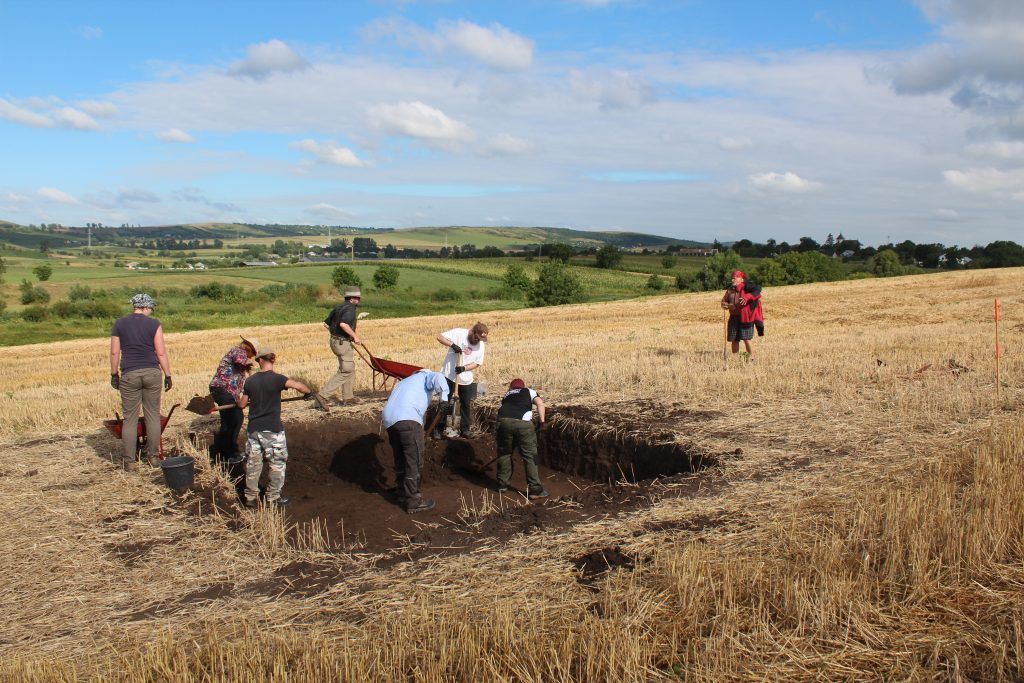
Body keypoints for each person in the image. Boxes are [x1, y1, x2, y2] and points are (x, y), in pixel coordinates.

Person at [237, 345, 311, 508]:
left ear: (260, 361)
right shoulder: (278, 379)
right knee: (277, 463)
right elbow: (299, 386)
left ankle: (250, 498)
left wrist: (239, 400)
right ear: (273, 360)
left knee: (253, 465)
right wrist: (308, 393)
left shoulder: (250, 381)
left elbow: (242, 404)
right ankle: (272, 497)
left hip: (253, 430)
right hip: (272, 430)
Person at [109, 293, 172, 471]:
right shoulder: (154, 324)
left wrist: (114, 374)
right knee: (152, 415)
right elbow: (160, 353)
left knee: (130, 418)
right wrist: (168, 374)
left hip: (130, 374)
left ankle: (129, 462)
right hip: (152, 373)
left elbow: (114, 353)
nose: (152, 311)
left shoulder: (120, 323)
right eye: (151, 307)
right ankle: (153, 457)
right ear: (145, 307)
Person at [381, 370, 452, 514]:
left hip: (389, 420)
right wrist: (444, 398)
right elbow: (438, 377)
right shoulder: (425, 375)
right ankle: (413, 501)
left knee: (400, 458)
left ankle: (402, 493)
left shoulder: (404, 382)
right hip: (408, 419)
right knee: (414, 460)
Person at [495, 378, 548, 499]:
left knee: (505, 453)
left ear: (511, 387)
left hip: (503, 422)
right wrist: (542, 421)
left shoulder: (507, 394)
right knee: (530, 455)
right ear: (523, 386)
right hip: (523, 424)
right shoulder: (529, 391)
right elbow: (540, 403)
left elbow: (506, 410)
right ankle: (535, 489)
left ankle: (502, 484)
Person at [209, 335, 259, 464]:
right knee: (235, 419)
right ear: (249, 349)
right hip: (221, 389)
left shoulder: (241, 356)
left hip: (225, 392)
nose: (252, 357)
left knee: (228, 422)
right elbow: (239, 360)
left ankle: (220, 451)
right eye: (253, 354)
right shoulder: (238, 351)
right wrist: (256, 362)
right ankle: (230, 453)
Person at [434, 322, 488, 438]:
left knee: (465, 405)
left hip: (465, 379)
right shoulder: (459, 333)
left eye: (480, 339)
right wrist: (452, 345)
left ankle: (465, 429)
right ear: (472, 331)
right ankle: (438, 428)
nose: (477, 340)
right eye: (476, 337)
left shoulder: (481, 345)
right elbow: (439, 337)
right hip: (448, 375)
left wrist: (464, 368)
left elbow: (477, 363)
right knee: (444, 403)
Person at [322, 288, 363, 404]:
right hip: (342, 343)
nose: (359, 300)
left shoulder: (339, 307)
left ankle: (348, 397)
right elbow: (343, 324)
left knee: (350, 368)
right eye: (357, 298)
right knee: (346, 370)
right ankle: (322, 396)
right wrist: (355, 336)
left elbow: (326, 324)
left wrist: (336, 334)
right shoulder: (350, 309)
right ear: (351, 299)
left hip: (335, 341)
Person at [721, 270, 755, 359]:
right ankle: (736, 358)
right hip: (733, 317)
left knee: (746, 338)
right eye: (732, 278)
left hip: (745, 317)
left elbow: (752, 299)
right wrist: (724, 304)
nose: (733, 280)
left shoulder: (747, 289)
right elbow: (724, 300)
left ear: (742, 279)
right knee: (734, 339)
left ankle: (752, 357)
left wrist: (732, 306)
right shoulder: (729, 290)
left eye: (735, 278)